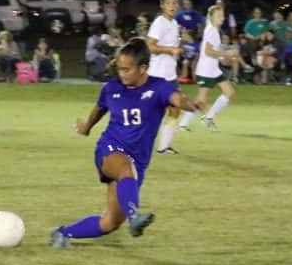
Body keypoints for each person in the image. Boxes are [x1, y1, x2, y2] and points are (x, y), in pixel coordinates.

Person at [49, 38, 201, 248]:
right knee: (125, 168)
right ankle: (134, 216)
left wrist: (190, 104)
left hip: (136, 162)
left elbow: (178, 99)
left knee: (110, 222)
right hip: (110, 149)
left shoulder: (159, 87)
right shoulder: (111, 88)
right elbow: (100, 108)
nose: (122, 74)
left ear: (143, 68)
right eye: (119, 69)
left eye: (127, 69)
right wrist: (87, 127)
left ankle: (62, 233)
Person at [178, 5, 237, 133]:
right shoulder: (212, 31)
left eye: (222, 15)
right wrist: (226, 54)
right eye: (218, 16)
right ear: (211, 17)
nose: (222, 18)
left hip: (213, 70)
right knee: (201, 102)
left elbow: (210, 51)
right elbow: (208, 51)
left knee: (229, 92)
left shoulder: (213, 30)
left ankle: (208, 117)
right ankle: (183, 123)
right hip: (206, 71)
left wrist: (221, 57)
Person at [146, 0, 183, 154]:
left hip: (170, 76)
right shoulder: (159, 23)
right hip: (157, 75)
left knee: (175, 108)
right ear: (162, 5)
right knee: (150, 114)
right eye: (169, 3)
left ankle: (163, 146)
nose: (172, 6)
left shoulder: (174, 24)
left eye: (175, 3)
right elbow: (150, 46)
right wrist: (170, 50)